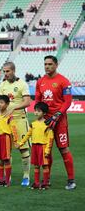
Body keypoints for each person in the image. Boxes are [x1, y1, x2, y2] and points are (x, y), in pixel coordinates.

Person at [35, 55, 76, 190]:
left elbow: (68, 101)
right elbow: (37, 101)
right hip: (46, 122)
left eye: (50, 64)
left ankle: (71, 180)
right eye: (45, 64)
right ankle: (46, 179)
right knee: (46, 151)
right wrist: (40, 116)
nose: (47, 66)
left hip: (59, 121)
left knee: (63, 149)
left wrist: (57, 115)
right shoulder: (40, 81)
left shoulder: (64, 81)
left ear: (56, 65)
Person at [0, 62, 31, 186]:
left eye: (8, 71)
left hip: (20, 120)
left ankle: (26, 176)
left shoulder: (22, 84)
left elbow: (27, 102)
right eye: (4, 72)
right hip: (7, 122)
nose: (6, 74)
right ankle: (8, 177)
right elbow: (0, 103)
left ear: (13, 70)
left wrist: (14, 108)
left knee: (23, 149)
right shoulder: (2, 85)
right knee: (7, 151)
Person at [16, 102, 54, 190]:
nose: (36, 113)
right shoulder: (33, 124)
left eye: (38, 111)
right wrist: (20, 143)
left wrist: (47, 150)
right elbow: (27, 135)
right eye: (35, 111)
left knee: (45, 165)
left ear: (44, 113)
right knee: (36, 166)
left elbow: (50, 138)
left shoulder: (47, 124)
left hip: (43, 147)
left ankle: (45, 183)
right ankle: (36, 183)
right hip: (35, 147)